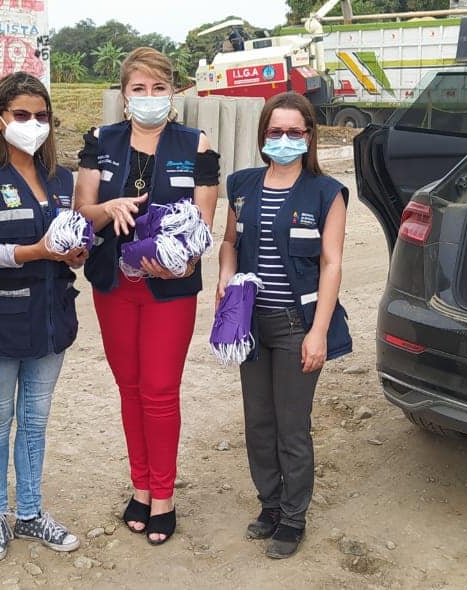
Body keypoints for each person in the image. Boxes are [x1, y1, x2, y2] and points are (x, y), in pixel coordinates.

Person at [74, 46, 221, 545]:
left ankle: (164, 495)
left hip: (169, 289)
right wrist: (108, 208)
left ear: (173, 93)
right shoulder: (101, 140)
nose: (149, 96)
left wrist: (184, 259)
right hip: (114, 286)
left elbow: (203, 225)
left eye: (159, 87)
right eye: (139, 88)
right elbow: (83, 212)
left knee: (159, 389)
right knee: (130, 388)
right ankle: (140, 485)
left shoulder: (195, 144)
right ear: (124, 94)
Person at [0, 72, 86, 563]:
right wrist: (33, 252)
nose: (33, 124)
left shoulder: (61, 178)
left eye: (42, 116)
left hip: (51, 319)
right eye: (22, 115)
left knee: (35, 421)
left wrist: (76, 253)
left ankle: (29, 512)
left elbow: (71, 236)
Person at [215, 92, 351, 559]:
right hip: (251, 326)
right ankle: (270, 506)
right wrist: (225, 276)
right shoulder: (242, 186)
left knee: (292, 427)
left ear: (309, 136)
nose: (285, 139)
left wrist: (318, 332)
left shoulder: (327, 192)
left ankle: (293, 518)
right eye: (276, 131)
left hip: (297, 326)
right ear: (263, 135)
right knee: (258, 423)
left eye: (295, 132)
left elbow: (331, 263)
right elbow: (230, 242)